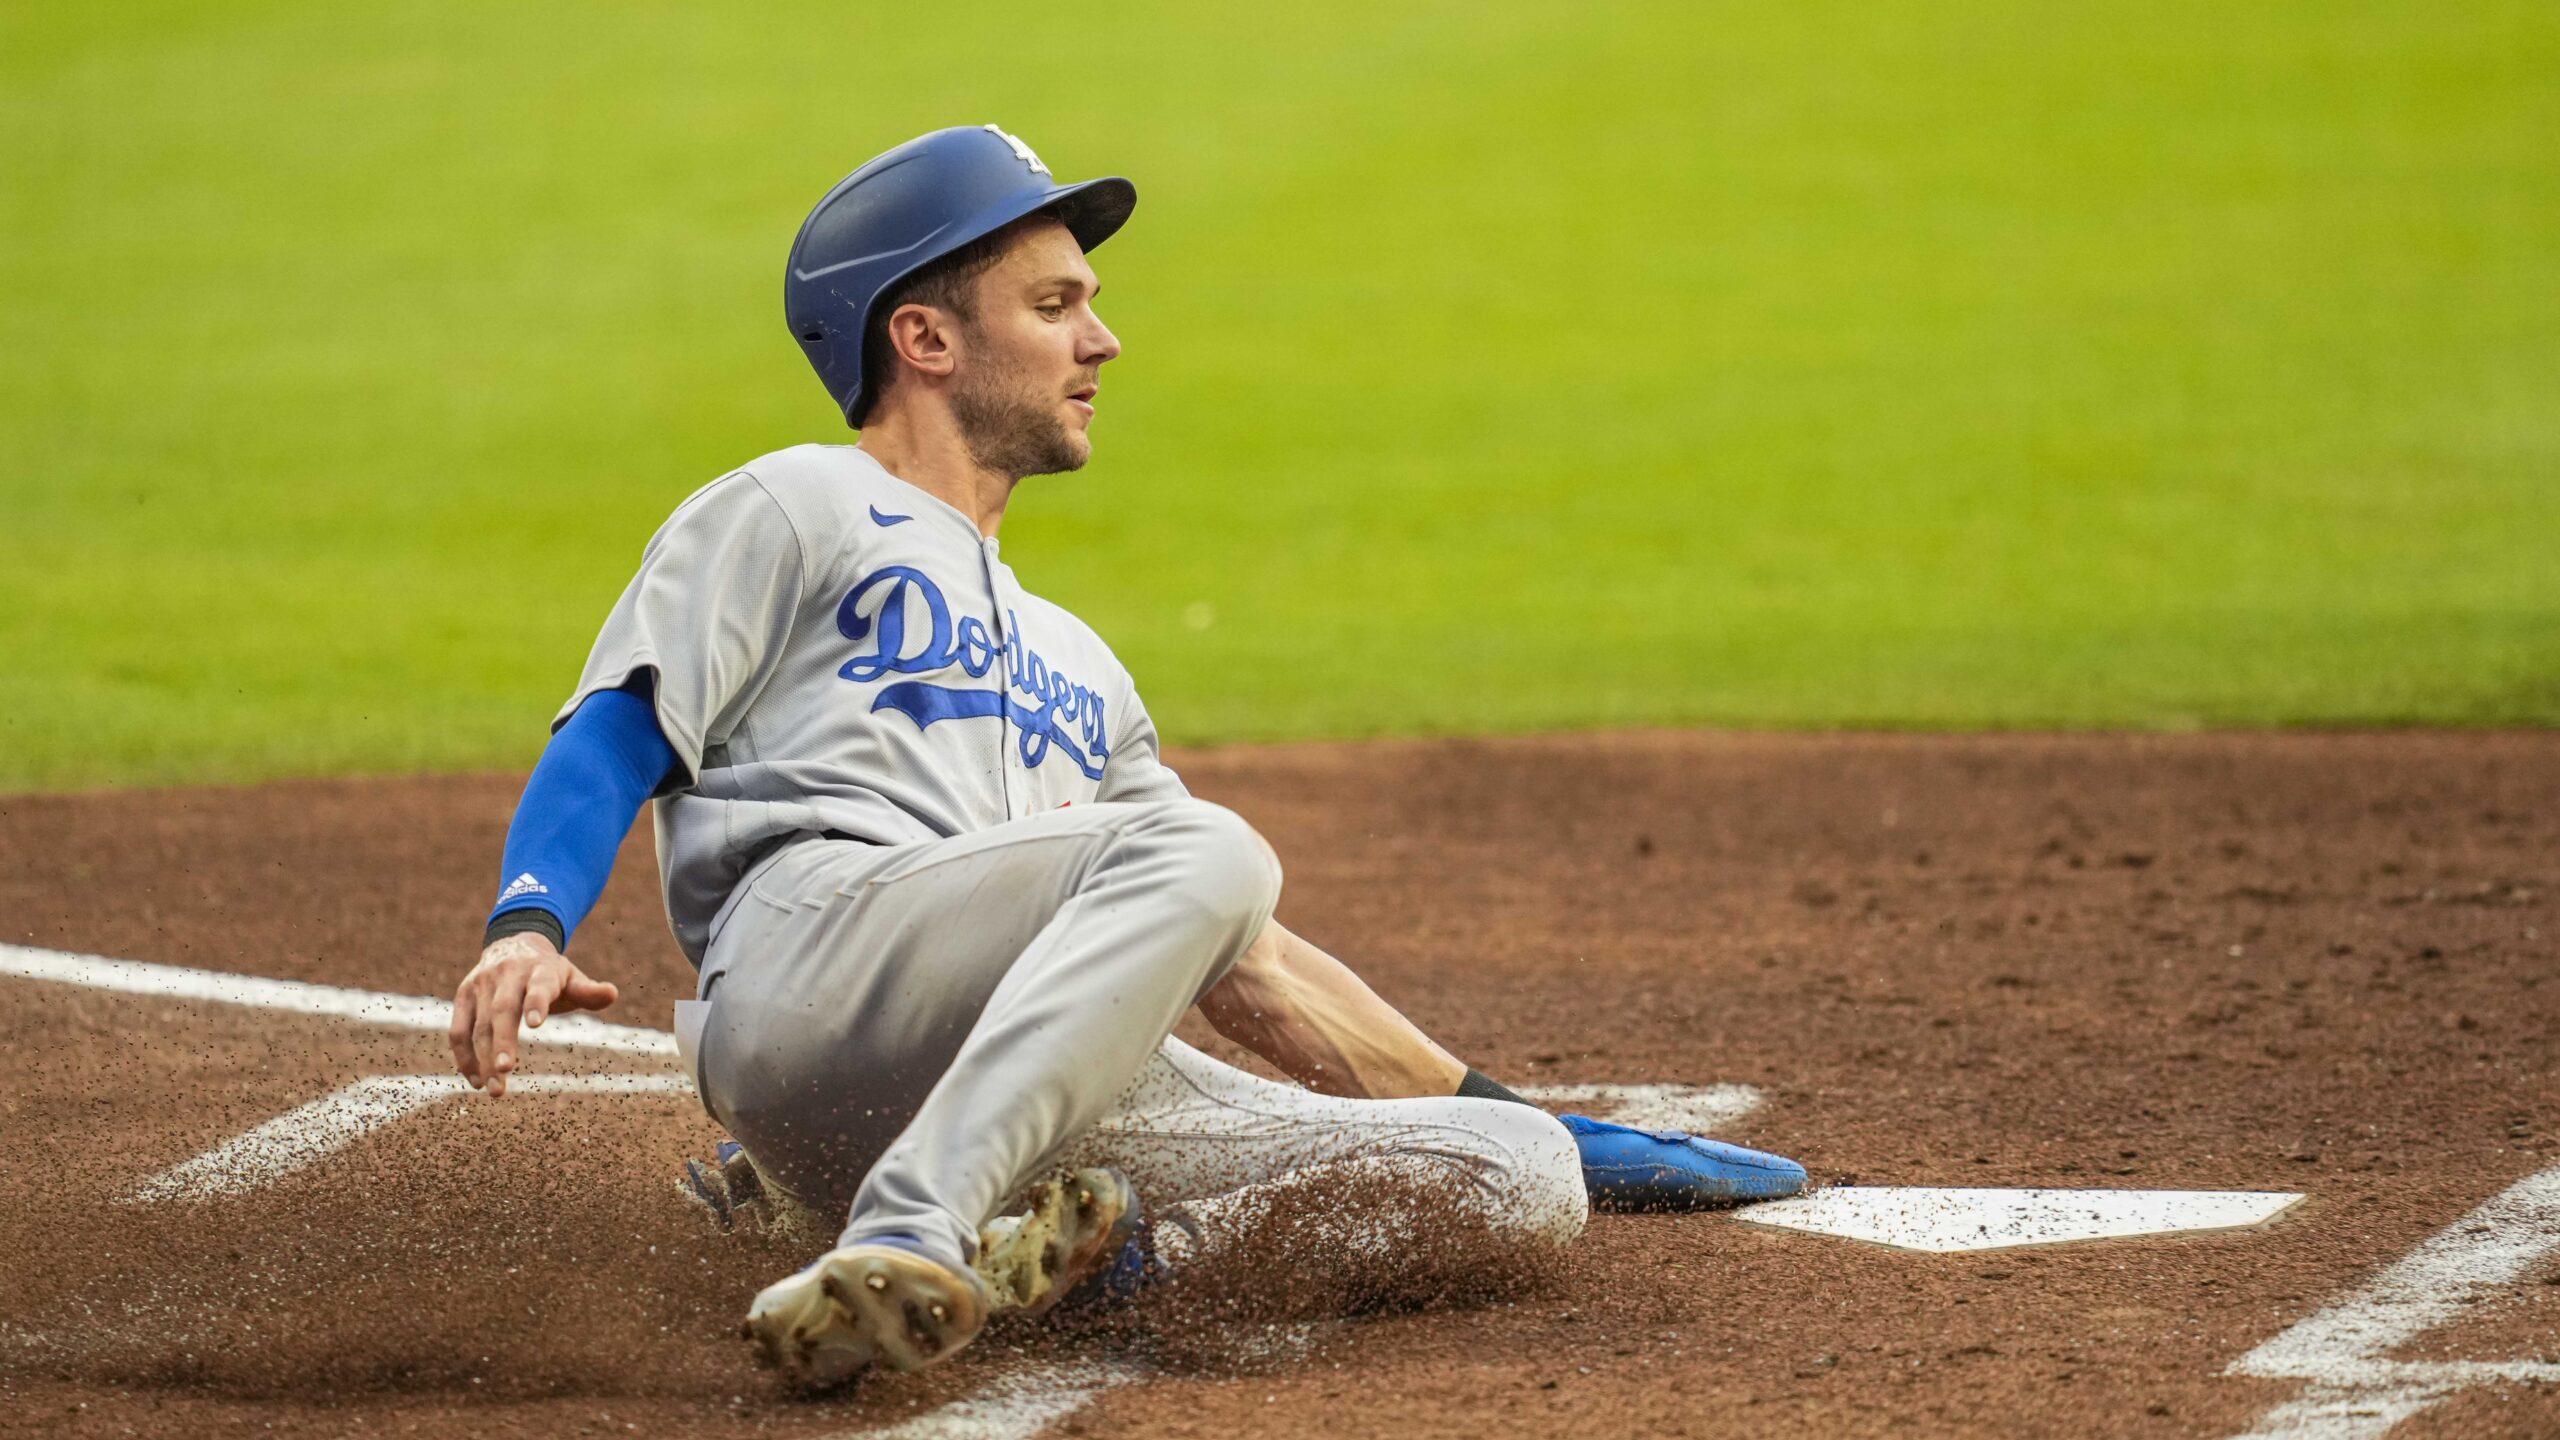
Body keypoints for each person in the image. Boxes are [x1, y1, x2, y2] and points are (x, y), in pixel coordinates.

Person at [446, 124, 1803, 1388]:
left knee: (1512, 1179)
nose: (1102, 340)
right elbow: (624, 716)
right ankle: (915, 1223)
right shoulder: (800, 501)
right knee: (1211, 845)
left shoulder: (1082, 661)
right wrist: (528, 919)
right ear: (924, 337)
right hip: (817, 973)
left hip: (1032, 1083)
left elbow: (1244, 956)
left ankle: (1077, 1261)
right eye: (1053, 306)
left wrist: (1530, 1112)